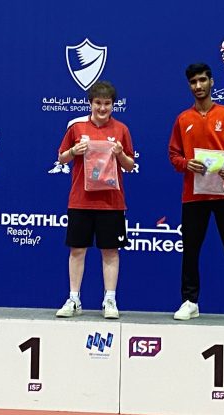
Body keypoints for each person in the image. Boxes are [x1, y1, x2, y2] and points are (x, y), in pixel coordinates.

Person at [168, 63, 224, 323]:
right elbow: (174, 155)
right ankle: (190, 301)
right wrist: (186, 164)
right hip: (194, 195)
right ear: (189, 86)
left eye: (202, 80)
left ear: (212, 82)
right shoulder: (183, 119)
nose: (198, 86)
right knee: (190, 250)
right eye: (193, 82)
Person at [56, 80, 135, 319]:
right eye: (98, 103)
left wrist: (120, 154)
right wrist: (74, 151)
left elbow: (129, 165)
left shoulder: (121, 129)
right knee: (77, 250)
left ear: (113, 105)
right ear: (90, 104)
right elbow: (61, 158)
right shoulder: (76, 128)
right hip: (80, 200)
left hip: (111, 202)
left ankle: (109, 299)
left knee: (110, 251)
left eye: (107, 104)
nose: (102, 108)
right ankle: (74, 299)